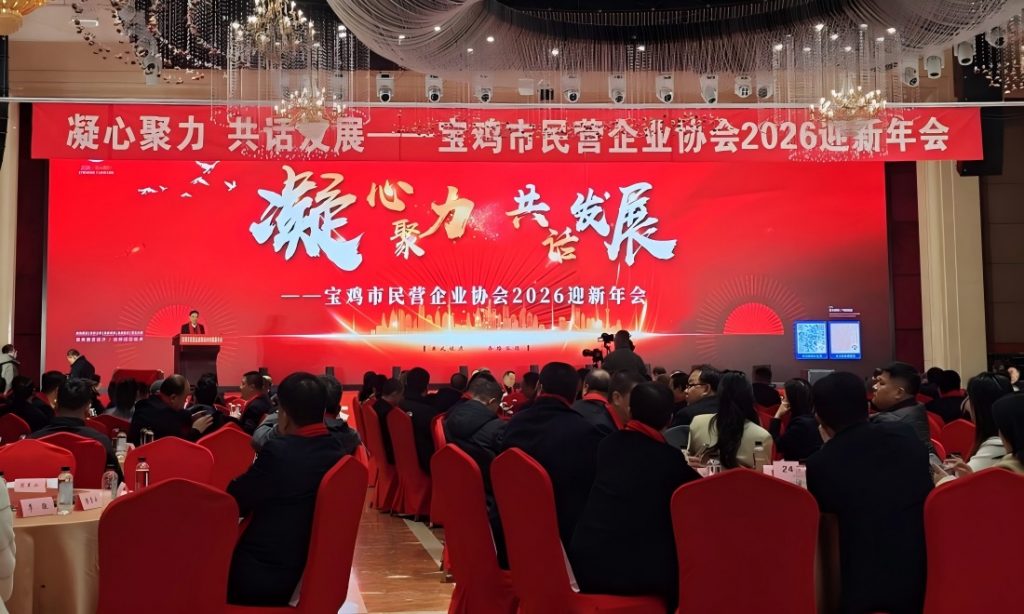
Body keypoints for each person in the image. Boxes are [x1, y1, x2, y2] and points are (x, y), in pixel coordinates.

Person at [806, 372, 932, 614]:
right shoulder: (906, 436)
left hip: (858, 590)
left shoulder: (820, 464)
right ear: (866, 407)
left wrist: (828, 446)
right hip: (923, 580)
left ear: (819, 417)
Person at [569, 383, 700, 609]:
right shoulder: (669, 459)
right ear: (669, 418)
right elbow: (697, 494)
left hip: (584, 562)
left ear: (630, 411)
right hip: (633, 572)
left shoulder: (607, 445)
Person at [227, 372, 350, 606]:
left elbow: (236, 498)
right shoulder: (339, 451)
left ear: (283, 413)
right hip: (313, 569)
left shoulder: (279, 452)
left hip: (265, 572)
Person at [500, 362, 606, 545]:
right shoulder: (585, 431)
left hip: (513, 528)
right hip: (565, 535)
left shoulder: (514, 423)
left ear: (540, 387)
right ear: (576, 392)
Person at [30, 378, 123, 482]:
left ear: (56, 404)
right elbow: (117, 482)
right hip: (92, 492)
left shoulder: (33, 441)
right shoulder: (100, 441)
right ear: (88, 407)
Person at [688, 371, 772, 469]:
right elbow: (761, 475)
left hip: (702, 478)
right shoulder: (762, 436)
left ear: (719, 396)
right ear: (750, 399)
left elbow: (689, 459)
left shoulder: (698, 422)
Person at [128, 375, 214, 444]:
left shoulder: (148, 404)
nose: (185, 401)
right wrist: (196, 430)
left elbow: (176, 414)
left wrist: (190, 418)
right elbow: (179, 447)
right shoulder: (165, 416)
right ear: (173, 398)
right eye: (184, 398)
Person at [871, 362, 934, 453]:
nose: (874, 386)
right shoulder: (916, 408)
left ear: (899, 393)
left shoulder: (889, 424)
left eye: (881, 383)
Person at [768, 378, 823, 461]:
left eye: (784, 398)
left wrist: (777, 415)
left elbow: (776, 445)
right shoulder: (812, 419)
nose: (782, 401)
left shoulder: (800, 425)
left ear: (792, 401)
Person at [401, 367, 442, 474]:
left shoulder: (397, 405)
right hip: (425, 465)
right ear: (426, 386)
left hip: (402, 459)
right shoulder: (427, 412)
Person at [373, 378, 404, 463]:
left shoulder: (375, 405)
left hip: (378, 454)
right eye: (401, 395)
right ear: (395, 393)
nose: (402, 398)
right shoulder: (390, 413)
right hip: (390, 456)